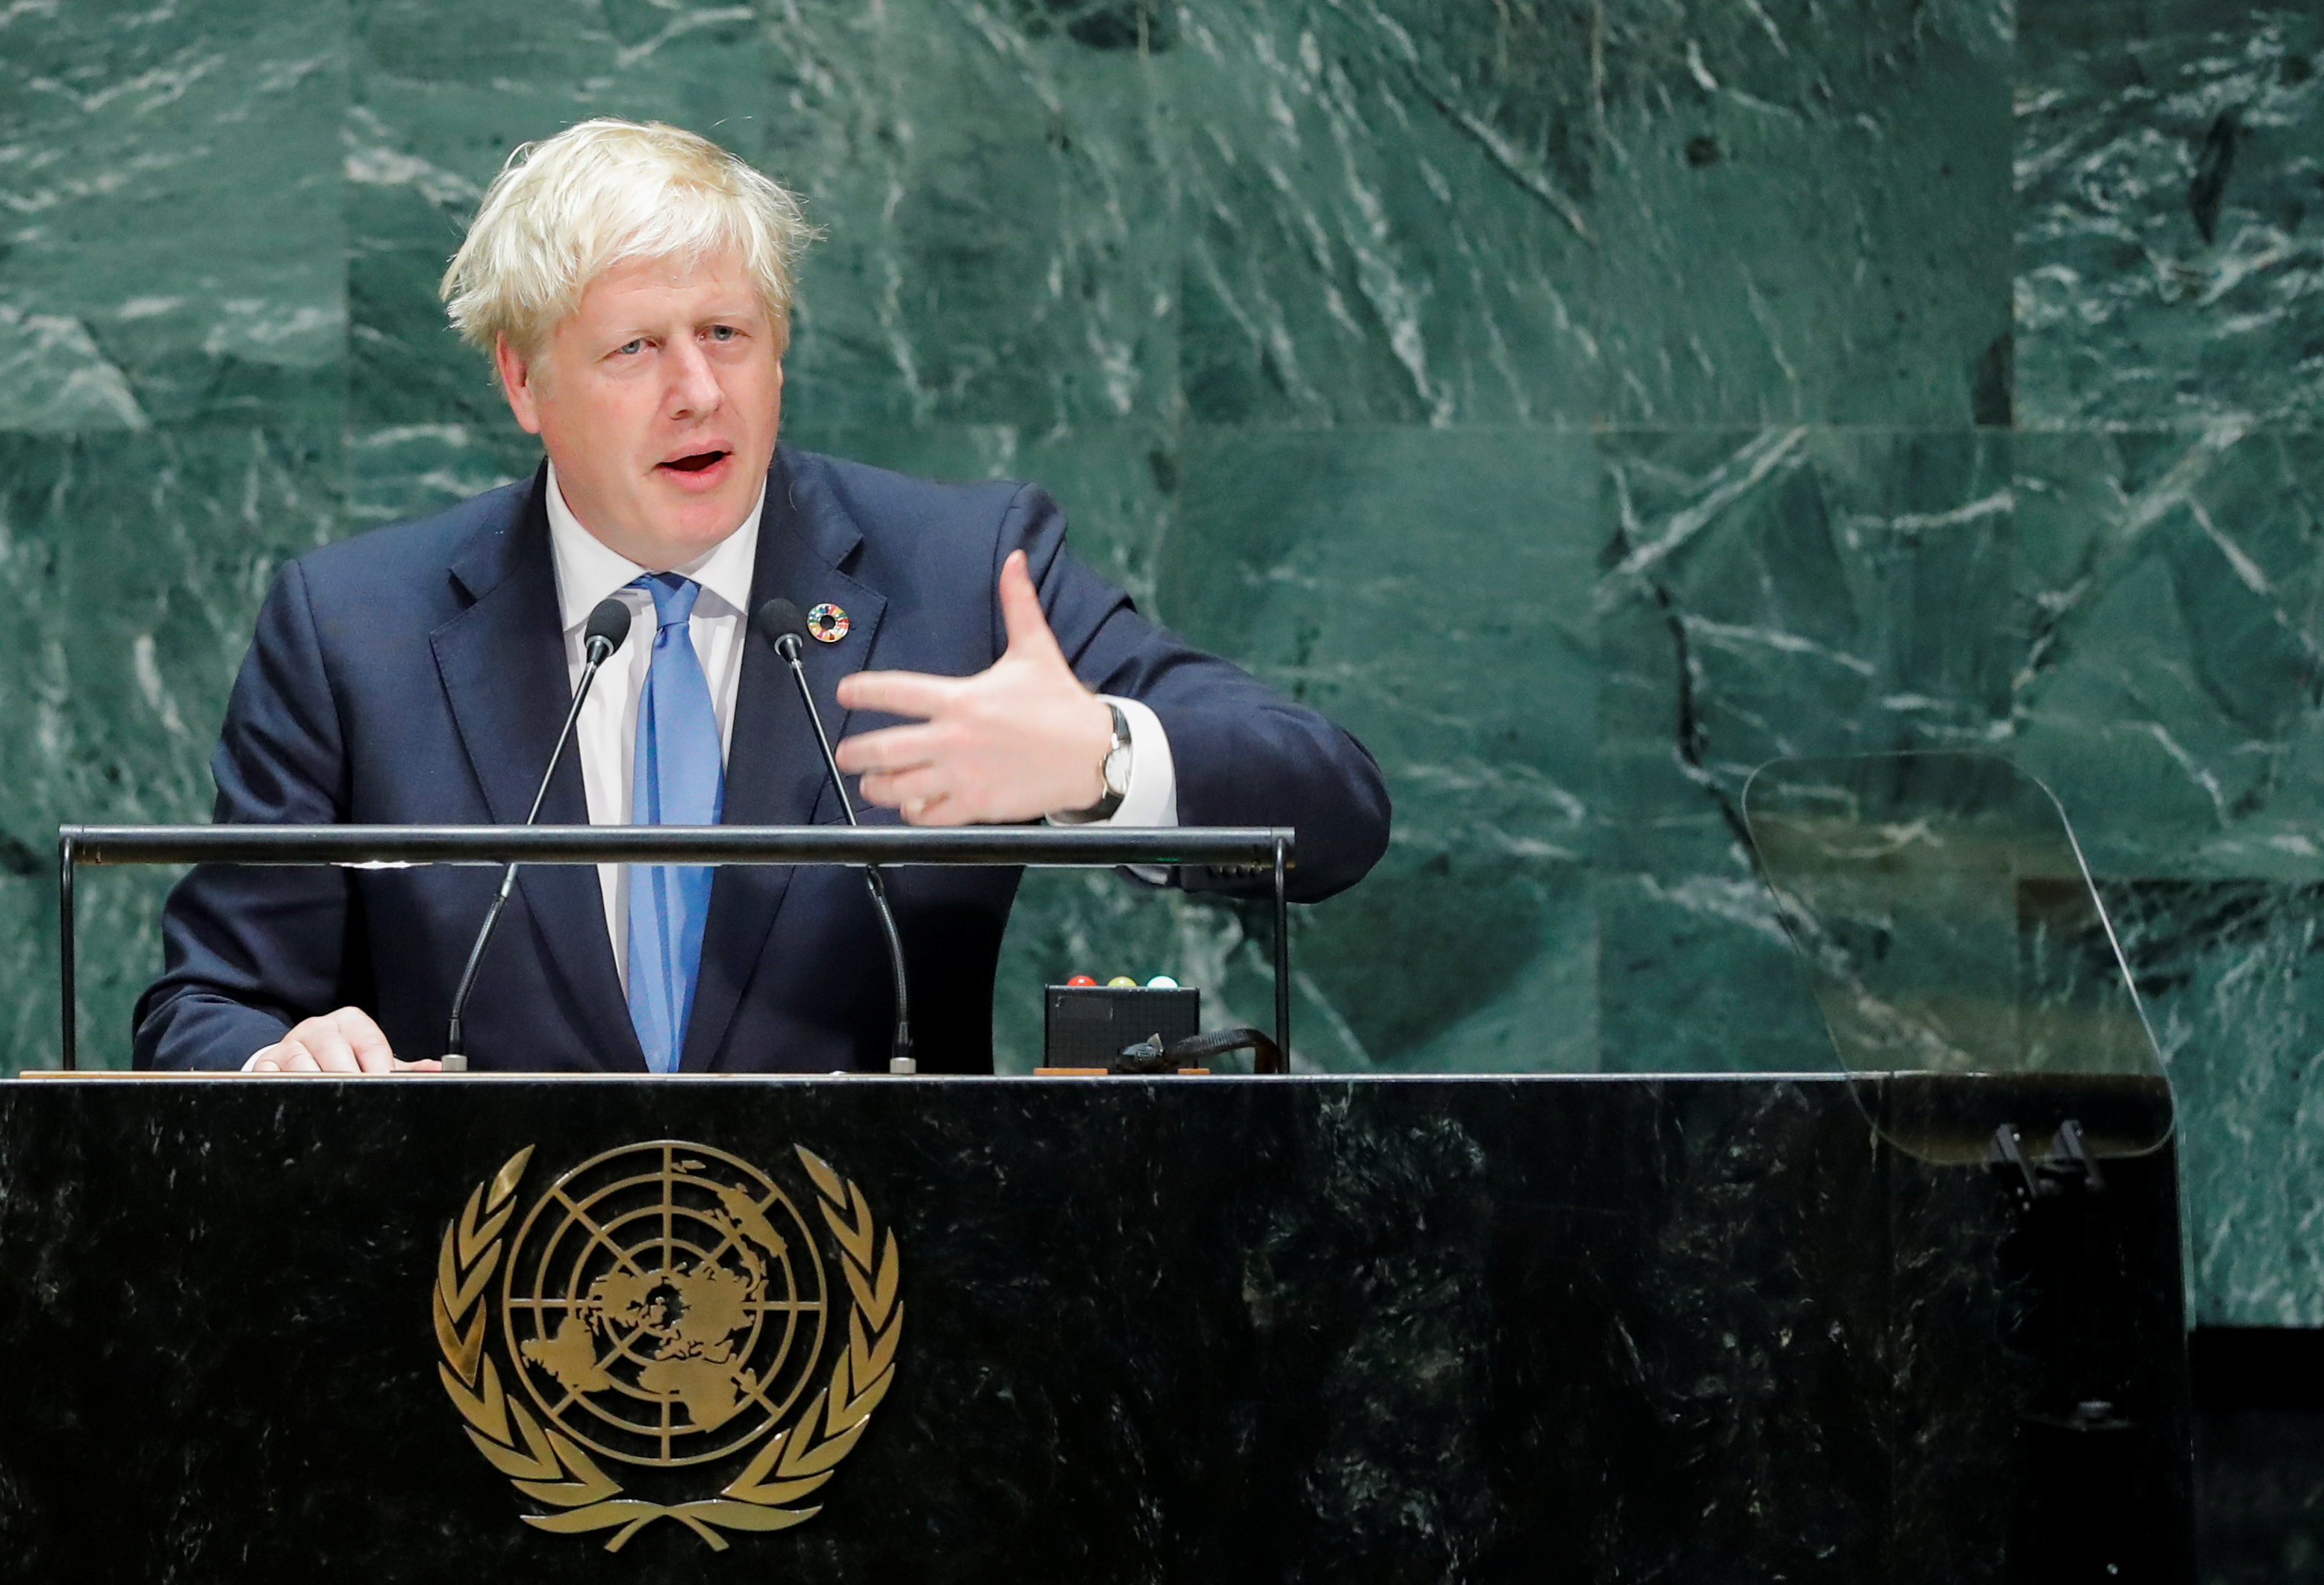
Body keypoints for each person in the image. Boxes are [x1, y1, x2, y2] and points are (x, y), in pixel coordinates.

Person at [134, 119, 1390, 1074]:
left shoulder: (960, 576)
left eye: (728, 335)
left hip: (877, 1331)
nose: (698, 392)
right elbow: (205, 1004)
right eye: (635, 349)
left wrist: (1102, 762)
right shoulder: (357, 632)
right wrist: (273, 1062)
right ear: (523, 381)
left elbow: (1329, 810)